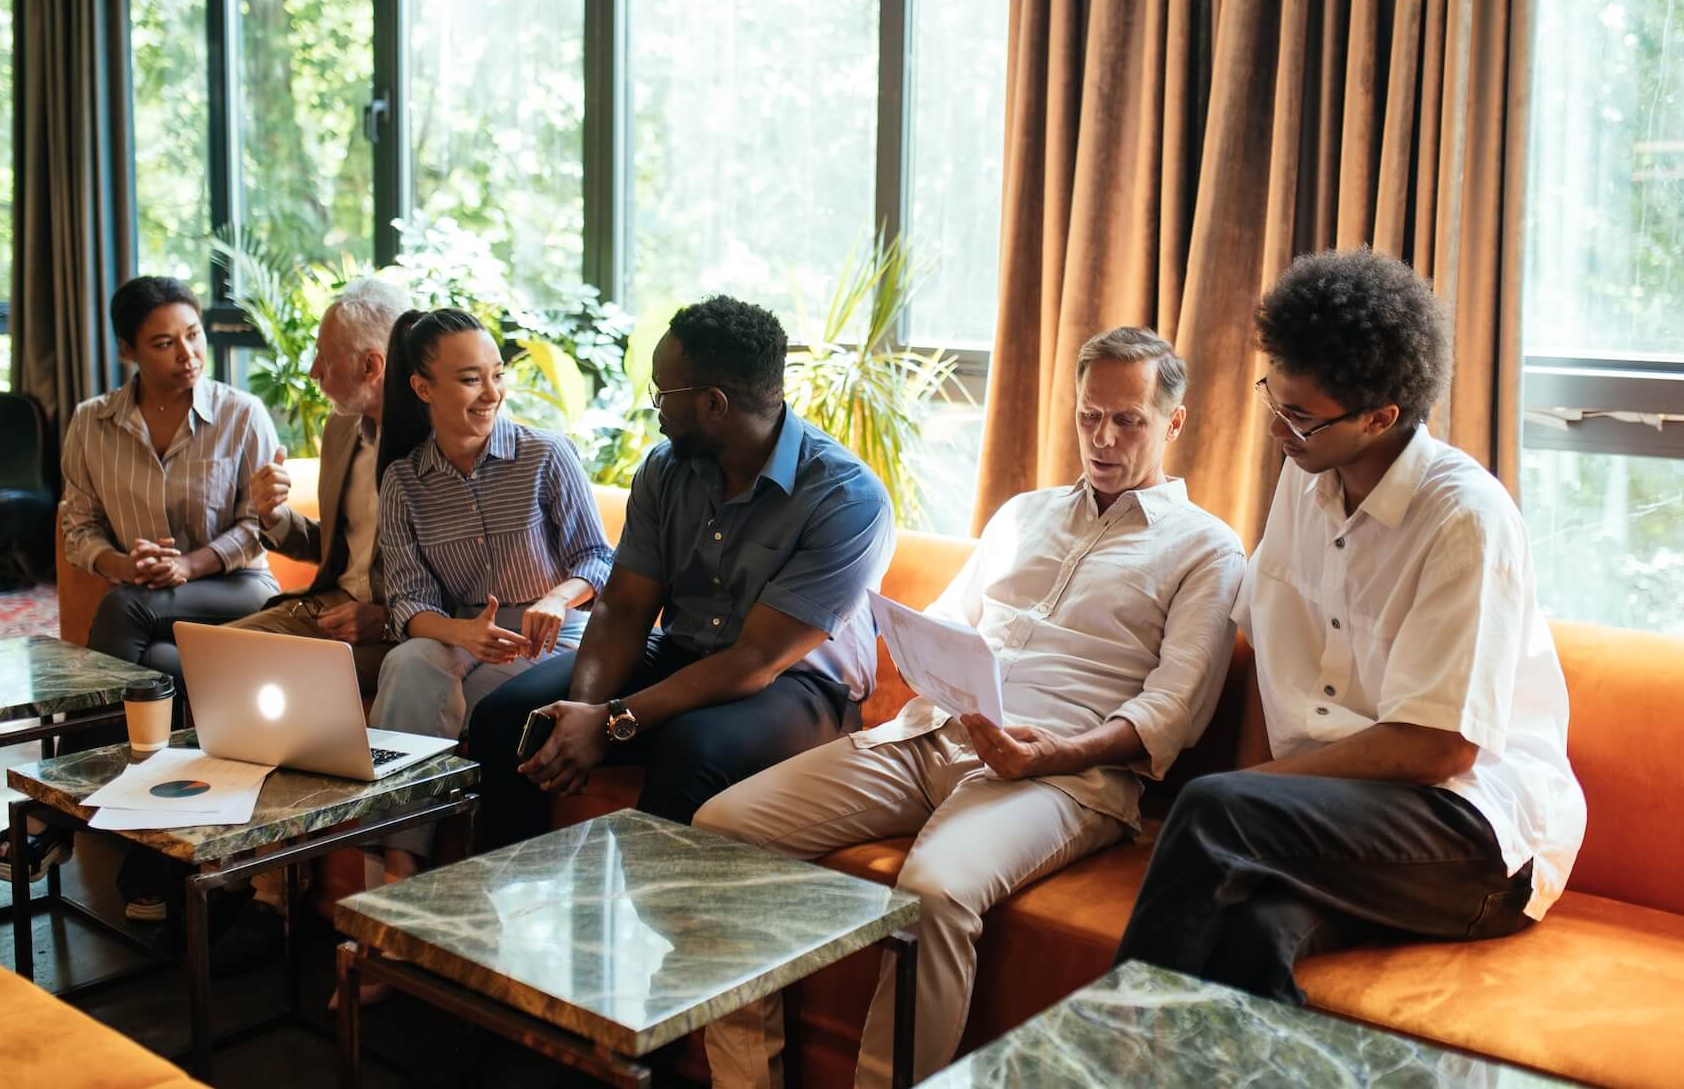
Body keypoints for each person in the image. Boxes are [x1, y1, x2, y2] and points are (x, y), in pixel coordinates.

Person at [694, 327, 1246, 1088]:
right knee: (720, 831)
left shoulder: (1207, 549)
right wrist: (916, 647)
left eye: (1128, 421)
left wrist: (1053, 753)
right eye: (1089, 416)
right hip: (929, 734)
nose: (1103, 438)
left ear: (1173, 422)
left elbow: (1173, 711)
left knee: (933, 894)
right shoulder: (1023, 514)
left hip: (1063, 775)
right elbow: (947, 621)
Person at [1114, 248, 1588, 1005]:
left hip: (1476, 839)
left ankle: (1104, 1049)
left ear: (1380, 417)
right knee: (1251, 933)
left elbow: (1439, 748)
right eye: (1275, 400)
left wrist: (1243, 795)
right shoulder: (1305, 480)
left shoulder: (1465, 519)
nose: (1279, 429)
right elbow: (1273, 662)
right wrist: (1257, 800)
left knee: (1207, 806)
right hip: (1346, 821)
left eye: (1301, 417)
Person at [470, 295, 896, 851]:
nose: (656, 409)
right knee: (507, 717)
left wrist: (611, 721)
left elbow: (755, 660)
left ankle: (647, 910)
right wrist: (583, 712)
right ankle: (505, 896)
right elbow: (625, 606)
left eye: (663, 393)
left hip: (799, 688)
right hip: (682, 654)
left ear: (713, 404)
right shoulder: (664, 470)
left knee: (692, 748)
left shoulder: (847, 499)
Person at [0, 275, 278, 911]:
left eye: (193, 335)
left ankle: (54, 815)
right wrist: (125, 562)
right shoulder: (92, 423)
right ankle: (150, 856)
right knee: (160, 669)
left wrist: (188, 567)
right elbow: (77, 528)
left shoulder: (241, 414)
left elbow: (259, 527)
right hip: (148, 613)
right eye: (164, 343)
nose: (187, 354)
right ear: (127, 351)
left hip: (237, 593)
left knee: (122, 606)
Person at [367, 307, 615, 882]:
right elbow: (407, 600)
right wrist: (463, 632)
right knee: (408, 664)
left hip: (555, 642)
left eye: (497, 375)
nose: (491, 393)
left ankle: (409, 879)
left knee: (442, 702)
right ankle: (401, 872)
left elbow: (598, 558)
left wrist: (556, 598)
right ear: (423, 388)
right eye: (470, 379)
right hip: (462, 637)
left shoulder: (546, 454)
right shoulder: (403, 482)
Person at [227, 276, 410, 697]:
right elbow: (334, 548)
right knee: (212, 657)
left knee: (271, 675)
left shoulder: (435, 447)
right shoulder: (341, 427)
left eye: (325, 357)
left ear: (372, 366)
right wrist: (274, 516)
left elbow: (463, 587)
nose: (313, 371)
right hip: (329, 606)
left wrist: (385, 619)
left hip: (398, 633)